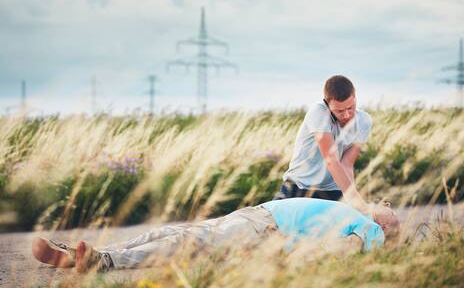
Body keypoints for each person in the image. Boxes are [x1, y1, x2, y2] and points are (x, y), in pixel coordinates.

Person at [32, 198, 400, 273]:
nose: (381, 203)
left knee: (181, 243)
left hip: (263, 228)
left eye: (388, 210)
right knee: (168, 232)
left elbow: (353, 250)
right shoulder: (353, 213)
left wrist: (294, 256)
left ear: (386, 226)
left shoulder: (369, 227)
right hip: (254, 217)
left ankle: (102, 262)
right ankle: (85, 254)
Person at [274, 75, 372, 213]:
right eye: (339, 111)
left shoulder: (364, 121)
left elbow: (347, 164)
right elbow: (331, 160)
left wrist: (353, 202)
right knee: (273, 228)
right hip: (300, 186)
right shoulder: (318, 113)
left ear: (355, 97)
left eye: (350, 107)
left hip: (333, 190)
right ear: (327, 103)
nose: (346, 115)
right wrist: (358, 203)